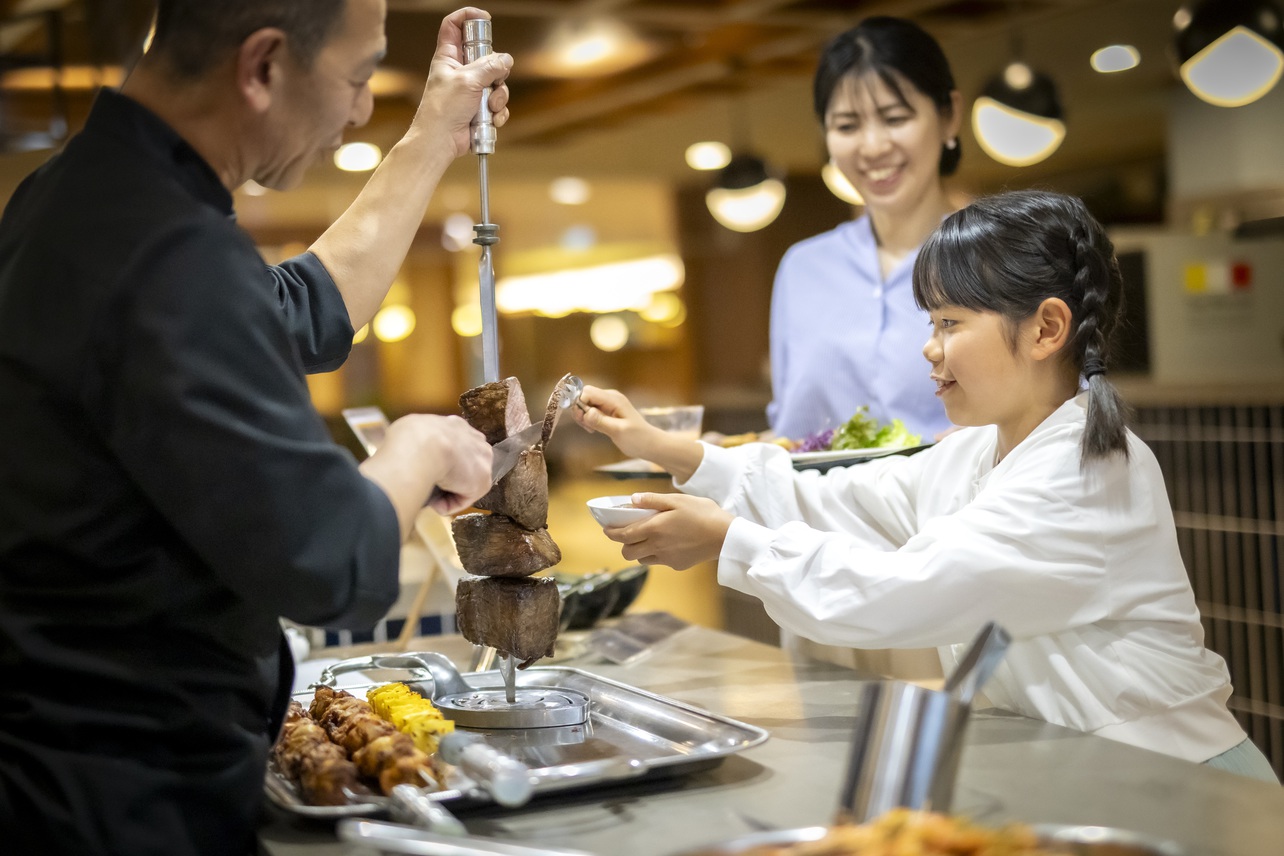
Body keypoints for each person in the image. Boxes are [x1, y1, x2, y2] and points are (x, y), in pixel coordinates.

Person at [0, 3, 512, 854]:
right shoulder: (164, 248)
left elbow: (292, 312)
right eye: (356, 78)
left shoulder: (78, 195)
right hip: (123, 798)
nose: (359, 111)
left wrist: (432, 138)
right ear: (263, 66)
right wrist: (418, 447)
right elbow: (327, 559)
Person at [575, 190, 1278, 784]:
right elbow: (835, 500)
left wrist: (729, 540)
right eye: (931, 322)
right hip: (1091, 771)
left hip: (1186, 778)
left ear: (1046, 328)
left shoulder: (1087, 470)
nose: (929, 347)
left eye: (950, 322)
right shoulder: (976, 451)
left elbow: (901, 593)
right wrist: (665, 448)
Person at [768, 16, 960, 443]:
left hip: (957, 486)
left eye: (895, 118)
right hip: (816, 489)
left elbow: (1047, 417)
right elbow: (793, 432)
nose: (873, 147)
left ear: (949, 116)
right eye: (847, 126)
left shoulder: (996, 259)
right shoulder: (804, 268)